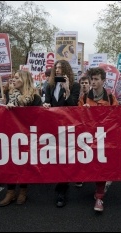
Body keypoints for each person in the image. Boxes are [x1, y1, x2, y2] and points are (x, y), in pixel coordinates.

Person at [0, 70, 42, 207]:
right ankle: (10, 192)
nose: (14, 80)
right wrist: (4, 106)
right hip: (10, 134)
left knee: (24, 162)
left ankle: (23, 190)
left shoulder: (35, 96)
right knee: (10, 162)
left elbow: (38, 116)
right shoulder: (7, 94)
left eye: (17, 78)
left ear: (24, 80)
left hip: (27, 135)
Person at [78, 67, 118, 212]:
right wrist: (85, 112)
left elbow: (116, 118)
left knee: (101, 167)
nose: (93, 82)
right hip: (88, 138)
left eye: (96, 79)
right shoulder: (83, 98)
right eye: (91, 79)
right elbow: (78, 119)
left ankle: (99, 196)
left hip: (104, 138)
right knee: (90, 165)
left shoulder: (111, 98)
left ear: (103, 81)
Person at [42, 60, 80, 208]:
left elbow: (73, 106)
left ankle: (61, 191)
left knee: (64, 158)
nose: (57, 70)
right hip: (52, 127)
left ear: (66, 70)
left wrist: (68, 91)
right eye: (56, 68)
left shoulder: (75, 86)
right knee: (55, 157)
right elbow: (47, 102)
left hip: (67, 128)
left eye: (60, 68)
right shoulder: (50, 85)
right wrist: (46, 104)